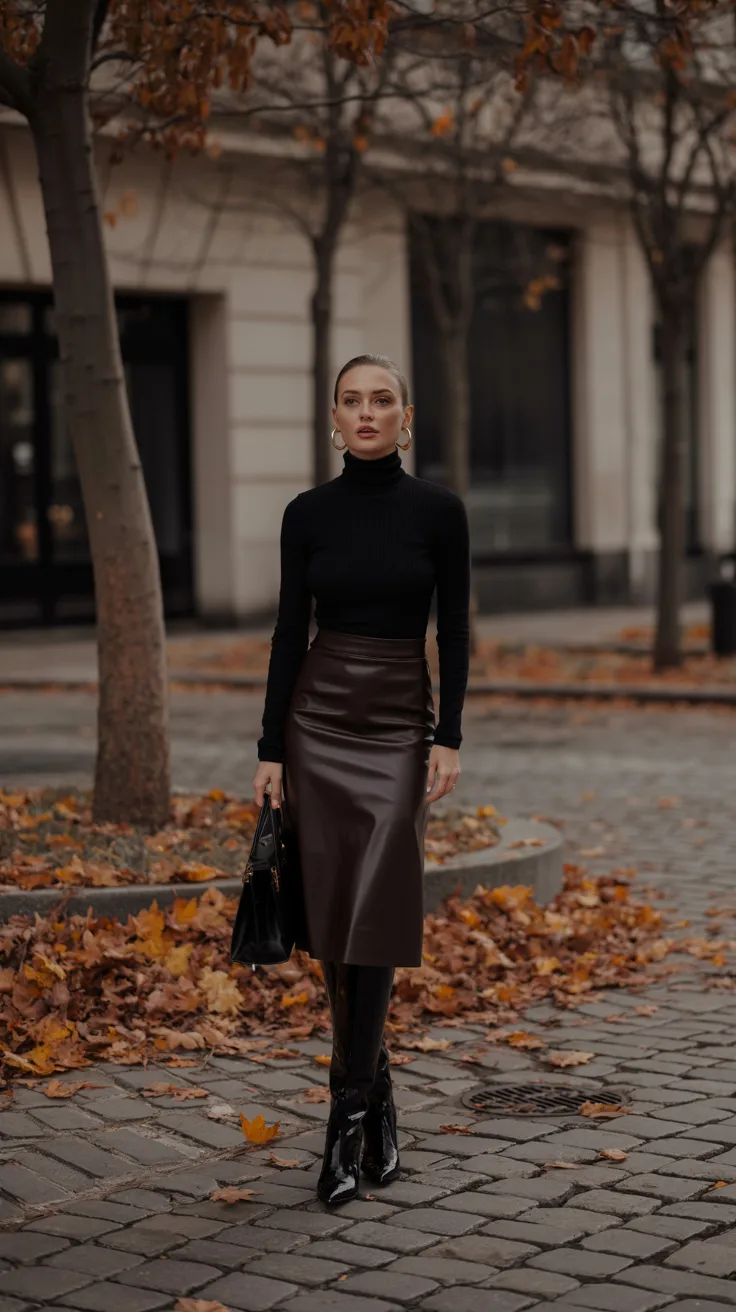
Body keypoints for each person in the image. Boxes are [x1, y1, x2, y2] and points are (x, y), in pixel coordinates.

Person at [253, 354, 470, 1206]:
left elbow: (452, 627)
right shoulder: (305, 514)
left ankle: (346, 1112)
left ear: (406, 417)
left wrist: (447, 735)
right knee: (334, 915)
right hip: (317, 715)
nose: (368, 413)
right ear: (334, 419)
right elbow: (282, 632)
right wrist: (270, 745)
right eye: (353, 401)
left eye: (383, 400)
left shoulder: (440, 513)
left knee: (373, 905)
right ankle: (373, 1097)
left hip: (396, 718)